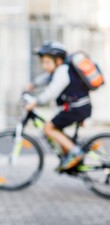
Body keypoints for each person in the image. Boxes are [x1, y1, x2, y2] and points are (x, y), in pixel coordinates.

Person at [24, 41, 92, 170]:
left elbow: (52, 91)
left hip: (77, 108)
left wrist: (36, 102)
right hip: (79, 107)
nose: (44, 66)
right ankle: (71, 159)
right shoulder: (60, 69)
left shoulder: (63, 71)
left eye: (47, 62)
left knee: (48, 128)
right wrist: (33, 84)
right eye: (42, 62)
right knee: (57, 129)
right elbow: (46, 78)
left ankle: (75, 153)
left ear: (58, 61)